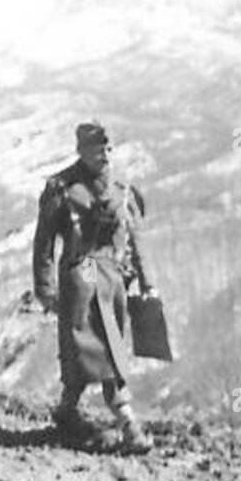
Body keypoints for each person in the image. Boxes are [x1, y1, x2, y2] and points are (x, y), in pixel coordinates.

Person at [32, 121, 156, 454]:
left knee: (92, 350)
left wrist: (148, 283)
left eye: (109, 149)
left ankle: (67, 409)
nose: (104, 155)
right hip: (83, 274)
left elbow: (137, 238)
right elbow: (44, 242)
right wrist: (45, 289)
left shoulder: (122, 190)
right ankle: (127, 421)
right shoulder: (62, 188)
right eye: (97, 149)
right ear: (81, 151)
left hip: (113, 278)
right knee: (95, 349)